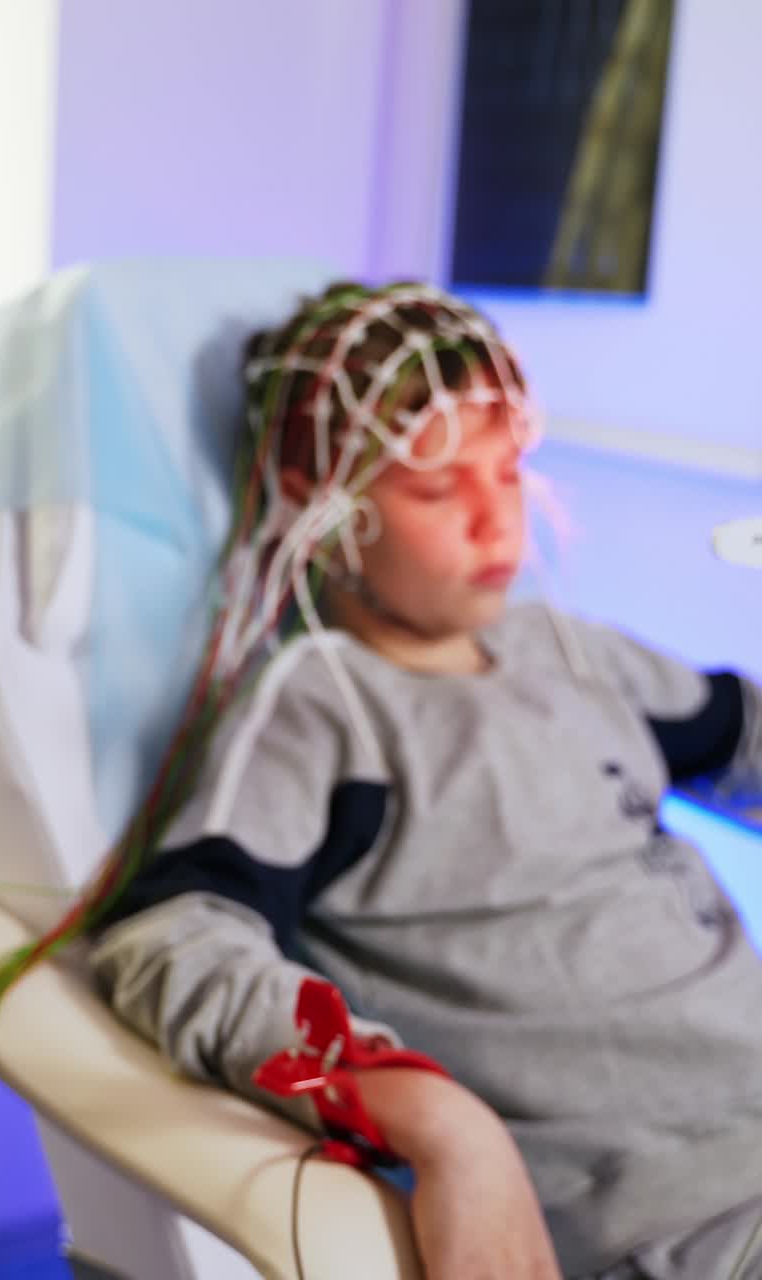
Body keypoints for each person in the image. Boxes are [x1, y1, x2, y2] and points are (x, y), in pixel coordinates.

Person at [86, 281, 762, 1279]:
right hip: (677, 1222)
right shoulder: (326, 708)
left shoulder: (570, 655)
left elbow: (737, 733)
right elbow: (168, 936)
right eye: (439, 489)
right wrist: (428, 1110)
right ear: (322, 514)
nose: (497, 525)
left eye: (509, 472)